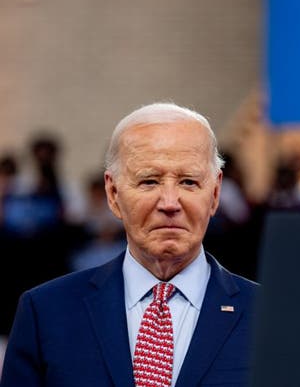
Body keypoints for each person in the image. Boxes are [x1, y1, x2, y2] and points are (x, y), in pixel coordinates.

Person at [1, 103, 258, 387]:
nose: (170, 203)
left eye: (188, 182)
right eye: (149, 181)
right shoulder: (46, 314)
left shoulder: (271, 317)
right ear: (113, 193)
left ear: (215, 193)